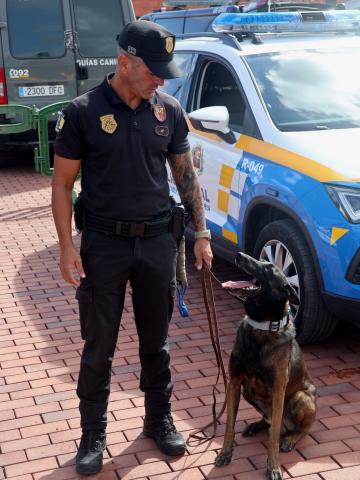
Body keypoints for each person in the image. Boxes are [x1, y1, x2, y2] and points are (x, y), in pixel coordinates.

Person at [51, 20, 213, 476]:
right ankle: (92, 433)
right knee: (98, 344)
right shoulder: (82, 112)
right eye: (153, 71)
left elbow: (186, 177)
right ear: (124, 63)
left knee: (156, 343)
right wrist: (67, 248)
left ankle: (158, 420)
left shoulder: (169, 110)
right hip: (103, 246)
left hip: (158, 243)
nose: (161, 79)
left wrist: (199, 235)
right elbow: (62, 186)